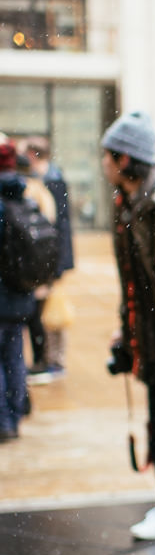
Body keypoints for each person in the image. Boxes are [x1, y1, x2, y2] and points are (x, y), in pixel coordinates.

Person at [101, 110, 155, 541]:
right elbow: (133, 278)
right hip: (153, 336)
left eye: (107, 155)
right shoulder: (127, 204)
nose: (102, 163)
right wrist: (127, 327)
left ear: (123, 160)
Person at [24, 136, 75, 383]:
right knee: (45, 309)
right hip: (49, 256)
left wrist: (57, 264)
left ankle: (54, 361)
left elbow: (60, 226)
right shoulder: (47, 179)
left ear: (34, 155)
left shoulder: (52, 181)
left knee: (53, 310)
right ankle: (48, 360)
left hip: (51, 258)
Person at [0, 135, 35, 441]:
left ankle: (4, 421)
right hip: (20, 294)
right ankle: (14, 413)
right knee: (14, 356)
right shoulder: (24, 196)